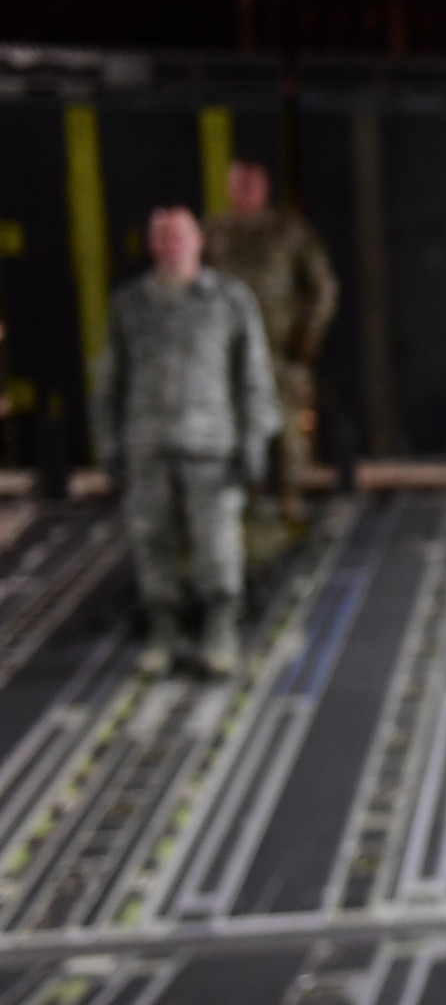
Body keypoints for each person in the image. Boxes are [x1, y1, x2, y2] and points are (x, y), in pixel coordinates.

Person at [93, 207, 280, 676]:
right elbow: (110, 380)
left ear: (198, 241)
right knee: (151, 542)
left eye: (179, 237)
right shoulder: (130, 304)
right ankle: (164, 631)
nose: (171, 246)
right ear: (153, 245)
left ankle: (220, 630)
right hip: (148, 446)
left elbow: (254, 376)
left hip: (211, 447)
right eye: (162, 238)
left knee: (216, 546)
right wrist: (108, 442)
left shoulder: (228, 300)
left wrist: (256, 439)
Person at [203, 159, 338, 523]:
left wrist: (307, 336)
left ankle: (290, 500)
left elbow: (323, 286)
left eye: (252, 184)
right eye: (239, 184)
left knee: (288, 427)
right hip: (227, 350)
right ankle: (242, 502)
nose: (246, 192)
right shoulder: (214, 232)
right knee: (232, 427)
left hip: (279, 348)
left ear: (265, 188)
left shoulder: (287, 230)